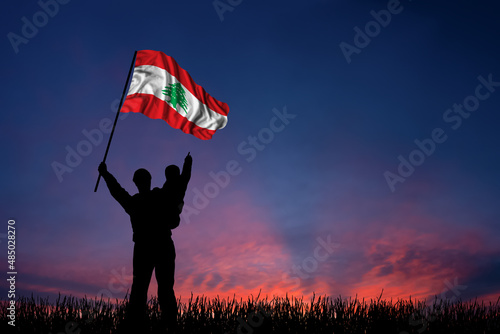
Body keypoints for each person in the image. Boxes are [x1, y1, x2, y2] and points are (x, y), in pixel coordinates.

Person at [97, 152, 192, 333]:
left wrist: (106, 175)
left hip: (150, 248)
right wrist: (187, 165)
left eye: (140, 180)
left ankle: (156, 325)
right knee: (150, 289)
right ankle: (161, 324)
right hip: (156, 247)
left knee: (149, 290)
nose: (140, 183)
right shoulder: (154, 197)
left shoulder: (140, 201)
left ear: (138, 182)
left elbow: (118, 192)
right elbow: (181, 183)